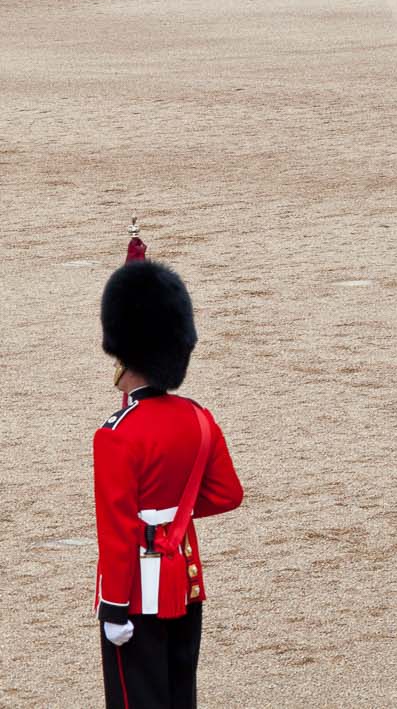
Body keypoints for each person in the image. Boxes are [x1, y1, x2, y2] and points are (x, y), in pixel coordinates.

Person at [95, 257, 243, 709]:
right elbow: (226, 494)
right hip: (184, 580)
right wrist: (173, 515)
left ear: (124, 356)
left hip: (136, 593)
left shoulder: (115, 434)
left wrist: (115, 608)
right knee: (181, 697)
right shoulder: (199, 418)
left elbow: (118, 531)